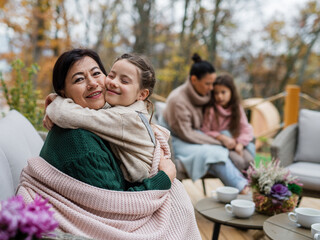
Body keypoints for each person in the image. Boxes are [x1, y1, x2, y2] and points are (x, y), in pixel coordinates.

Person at [17, 48, 201, 239]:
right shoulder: (82, 145)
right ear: (63, 91)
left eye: (97, 73)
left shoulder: (108, 115)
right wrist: (164, 177)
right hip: (142, 201)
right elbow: (119, 209)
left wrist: (56, 103)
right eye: (79, 79)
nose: (92, 83)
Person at [45, 53, 168, 183]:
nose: (114, 83)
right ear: (63, 90)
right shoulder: (124, 109)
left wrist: (56, 100)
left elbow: (64, 114)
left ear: (142, 94)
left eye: (96, 73)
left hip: (147, 185)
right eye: (111, 75)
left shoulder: (124, 117)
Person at [158, 53, 248, 193]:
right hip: (177, 140)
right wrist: (220, 142)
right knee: (211, 154)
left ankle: (239, 188)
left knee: (217, 150)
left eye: (213, 83)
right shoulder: (178, 100)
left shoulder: (205, 94)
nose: (212, 88)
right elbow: (187, 134)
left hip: (197, 135)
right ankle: (242, 188)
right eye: (208, 83)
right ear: (194, 80)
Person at [201, 74, 255, 171]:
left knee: (250, 161)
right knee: (239, 162)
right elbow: (205, 130)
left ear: (231, 92)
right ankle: (240, 184)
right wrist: (221, 137)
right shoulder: (211, 109)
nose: (219, 96)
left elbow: (245, 128)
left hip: (237, 142)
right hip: (221, 145)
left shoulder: (237, 108)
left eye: (223, 92)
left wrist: (240, 144)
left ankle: (252, 183)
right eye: (216, 93)